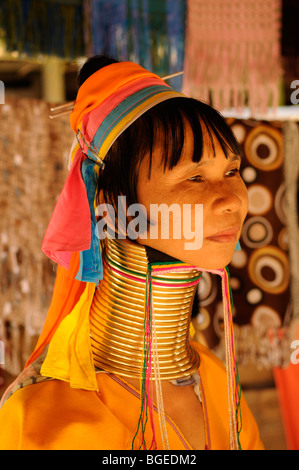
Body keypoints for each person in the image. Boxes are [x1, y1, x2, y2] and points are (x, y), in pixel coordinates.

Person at [0, 55, 264, 450]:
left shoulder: (215, 379)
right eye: (194, 178)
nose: (232, 201)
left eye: (231, 172)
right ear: (113, 207)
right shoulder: (44, 415)